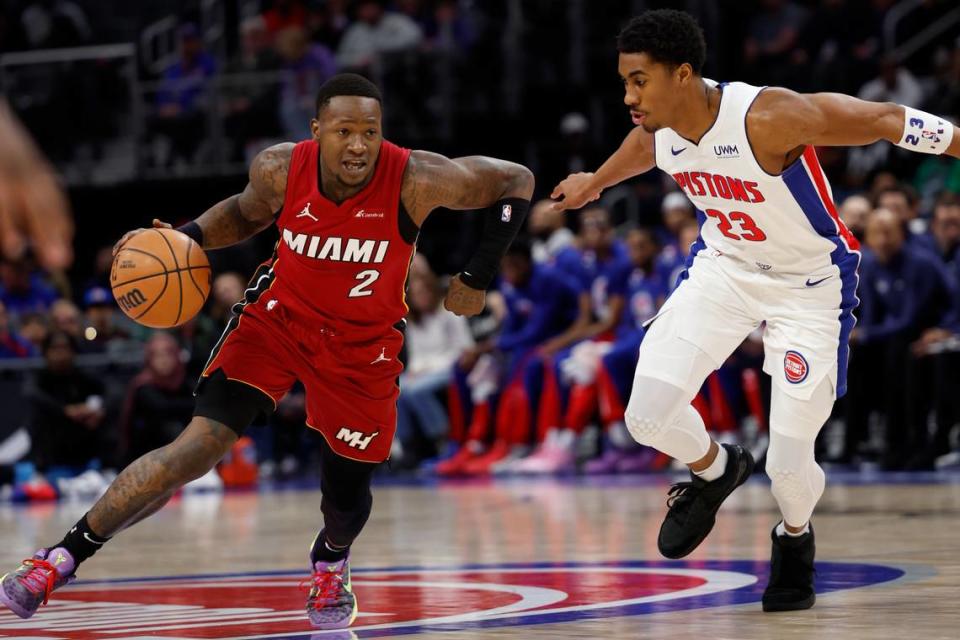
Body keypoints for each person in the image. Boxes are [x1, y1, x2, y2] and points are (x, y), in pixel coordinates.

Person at [0, 73, 534, 629]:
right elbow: (249, 210)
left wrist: (478, 273)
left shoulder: (416, 178)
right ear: (317, 130)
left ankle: (330, 558)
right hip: (278, 322)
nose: (358, 145)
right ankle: (58, 559)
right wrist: (190, 237)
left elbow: (515, 181)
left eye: (370, 132)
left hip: (361, 347)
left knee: (345, 504)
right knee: (195, 448)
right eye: (344, 130)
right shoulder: (282, 167)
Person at [549, 9, 960, 612]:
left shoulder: (768, 117)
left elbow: (880, 120)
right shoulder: (661, 126)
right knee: (648, 417)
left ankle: (794, 538)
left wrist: (955, 141)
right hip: (725, 270)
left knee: (789, 469)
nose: (629, 95)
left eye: (640, 81)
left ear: (683, 74)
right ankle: (715, 471)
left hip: (809, 286)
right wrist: (595, 182)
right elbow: (646, 146)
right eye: (625, 81)